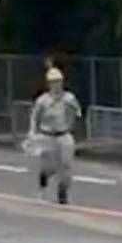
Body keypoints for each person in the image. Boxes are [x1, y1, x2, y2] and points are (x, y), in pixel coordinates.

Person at [28, 66, 83, 205]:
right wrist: (32, 133)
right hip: (47, 135)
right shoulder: (43, 101)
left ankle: (62, 193)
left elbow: (78, 113)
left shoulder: (69, 98)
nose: (57, 85)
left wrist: (73, 114)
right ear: (49, 84)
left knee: (66, 166)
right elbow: (34, 117)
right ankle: (43, 182)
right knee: (50, 167)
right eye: (54, 82)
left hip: (64, 135)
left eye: (59, 81)